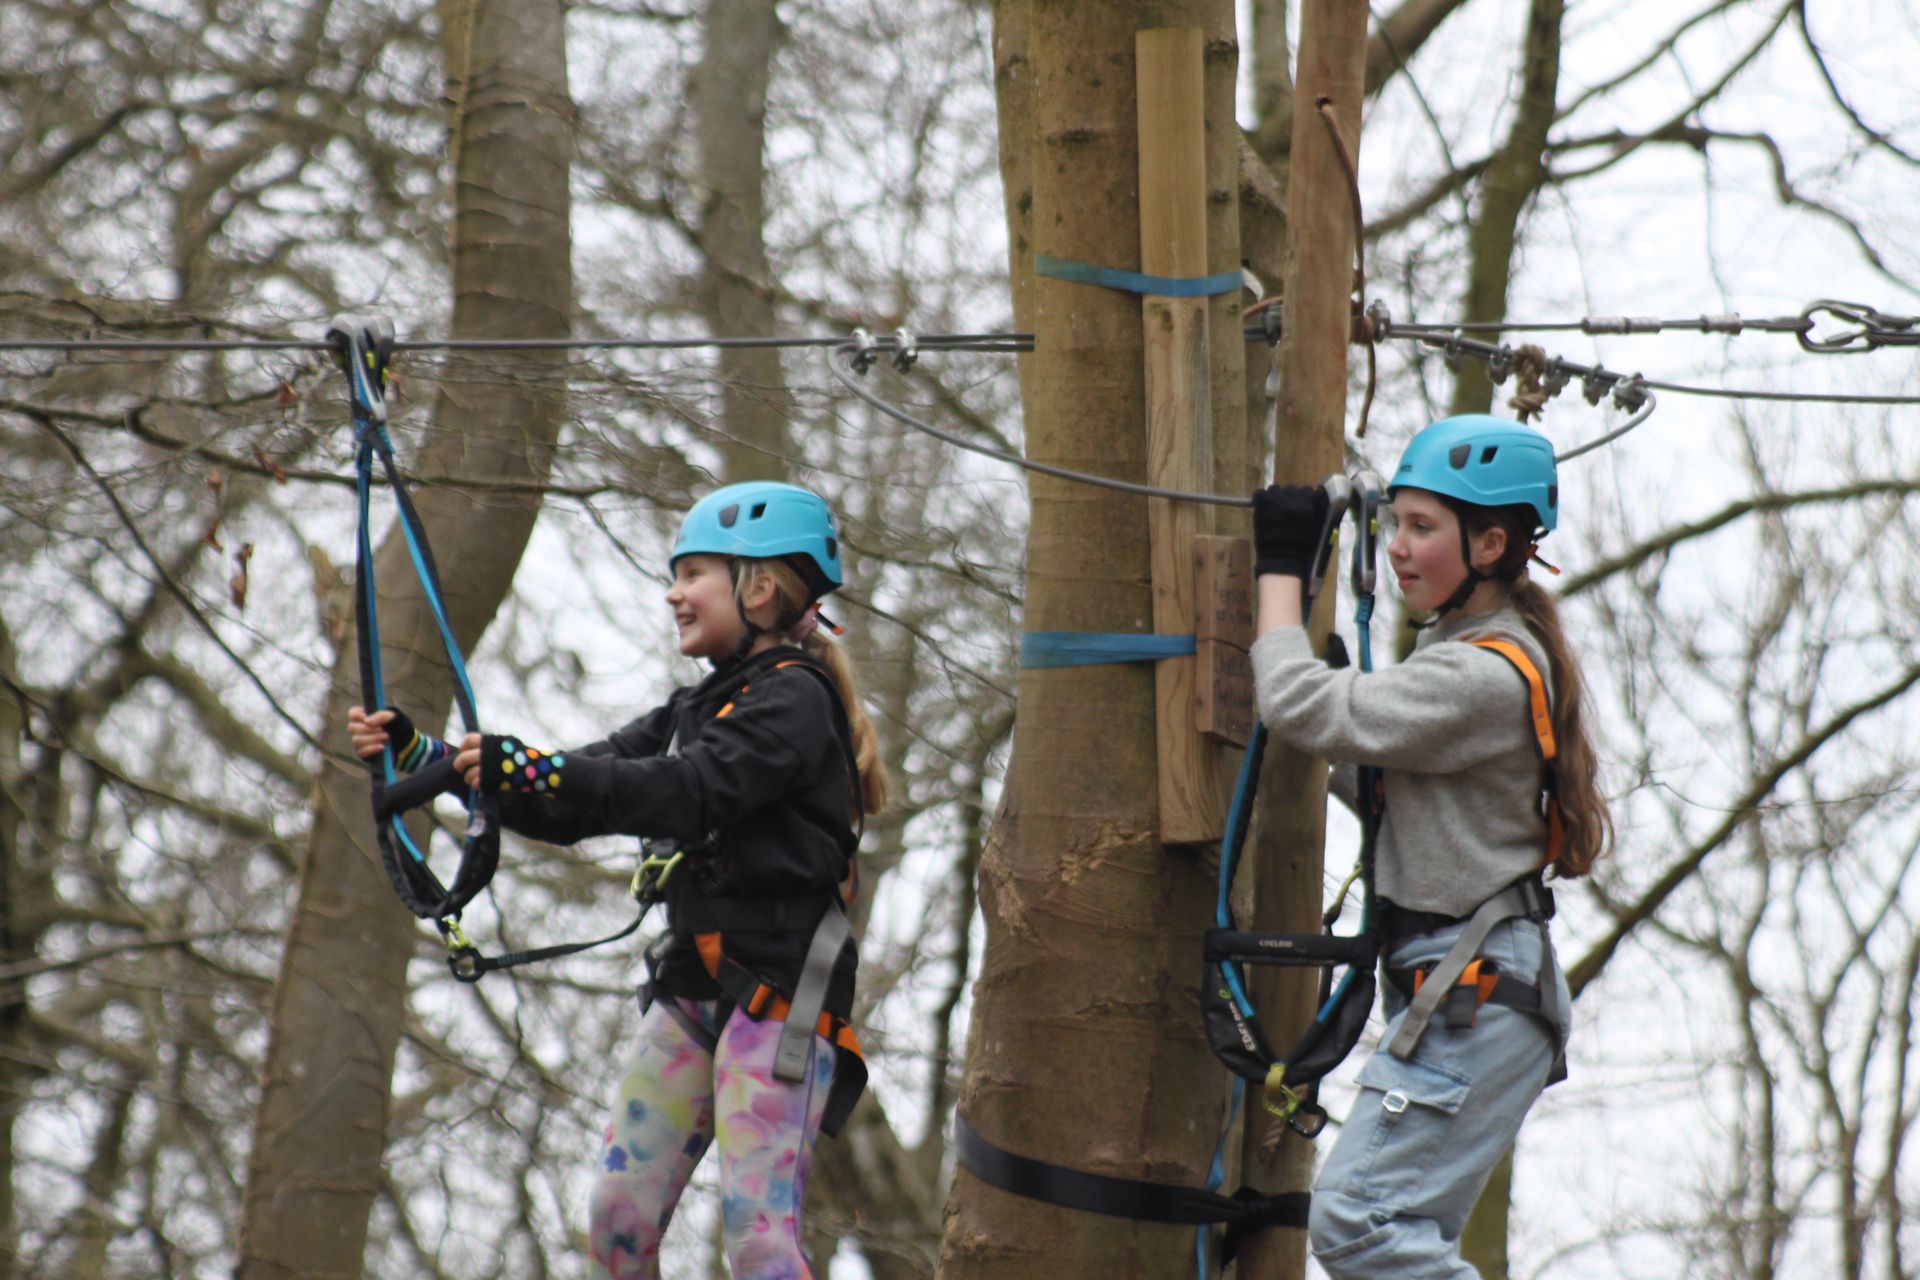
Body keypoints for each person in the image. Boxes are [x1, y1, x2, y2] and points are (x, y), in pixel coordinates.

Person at [349, 480, 888, 1280]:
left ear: (760, 586)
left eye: (693, 573)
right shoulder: (688, 709)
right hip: (694, 982)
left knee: (758, 1236)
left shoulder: (795, 703)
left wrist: (527, 767)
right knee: (617, 1220)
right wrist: (435, 761)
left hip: (781, 994)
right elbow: (576, 791)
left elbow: (689, 791)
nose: (672, 593)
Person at [1247, 415, 1610, 1279]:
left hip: (1475, 994)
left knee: (1360, 1222)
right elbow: (1389, 789)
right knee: (1399, 1235)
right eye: (1394, 524)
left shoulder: (1480, 673)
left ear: (1490, 544)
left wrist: (1277, 576)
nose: (1399, 548)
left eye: (1422, 528)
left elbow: (1297, 706)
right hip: (1471, 994)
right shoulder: (1463, 656)